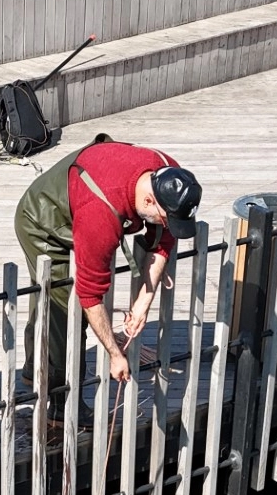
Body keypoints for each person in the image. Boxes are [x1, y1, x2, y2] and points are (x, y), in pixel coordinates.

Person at [14, 136, 202, 414]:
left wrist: (142, 303)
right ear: (149, 199)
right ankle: (62, 403)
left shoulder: (168, 172)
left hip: (86, 198)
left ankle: (35, 369)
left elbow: (163, 242)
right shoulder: (100, 215)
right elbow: (90, 295)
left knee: (53, 302)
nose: (167, 225)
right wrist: (115, 354)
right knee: (64, 311)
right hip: (43, 219)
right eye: (166, 219)